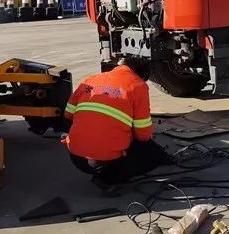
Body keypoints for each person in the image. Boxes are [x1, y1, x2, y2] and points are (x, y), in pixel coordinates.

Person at [63, 58, 170, 189]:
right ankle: (109, 178)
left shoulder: (90, 79)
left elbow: (68, 114)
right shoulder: (138, 86)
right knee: (151, 154)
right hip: (102, 161)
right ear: (141, 76)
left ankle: (102, 165)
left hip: (76, 157)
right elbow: (143, 134)